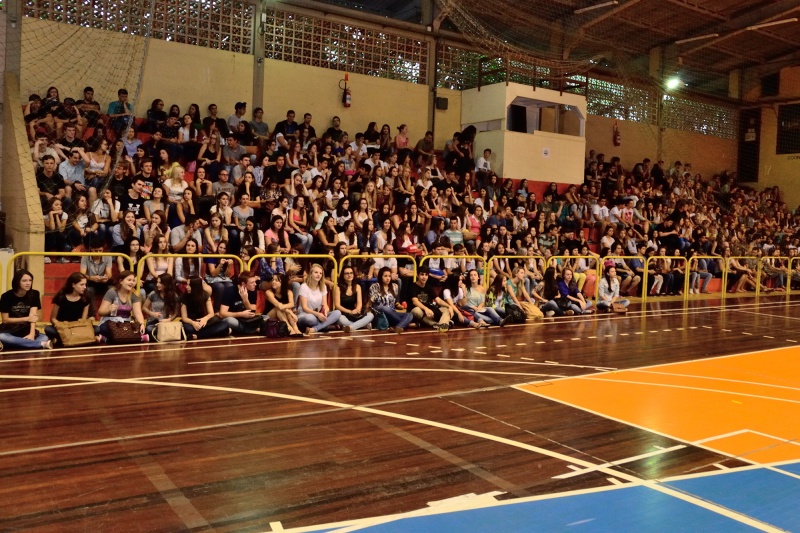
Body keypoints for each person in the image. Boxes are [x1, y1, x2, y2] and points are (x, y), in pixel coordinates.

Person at [0, 269, 53, 350]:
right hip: (10, 329)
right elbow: (5, 320)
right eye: (24, 281)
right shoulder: (6, 296)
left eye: (30, 280)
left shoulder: (34, 294)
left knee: (44, 337)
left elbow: (33, 317)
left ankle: (22, 343)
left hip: (26, 329)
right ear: (17, 282)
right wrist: (26, 318)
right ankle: (39, 344)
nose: (28, 283)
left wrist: (32, 334)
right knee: (2, 337)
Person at [97, 271, 148, 342]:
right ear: (121, 281)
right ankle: (135, 338)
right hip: (111, 323)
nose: (132, 283)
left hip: (126, 323)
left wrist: (142, 324)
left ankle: (107, 339)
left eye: (133, 281)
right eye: (129, 280)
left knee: (137, 329)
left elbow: (138, 313)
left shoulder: (134, 295)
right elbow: (100, 312)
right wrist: (109, 309)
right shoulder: (111, 292)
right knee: (102, 329)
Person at [296, 263, 341, 334]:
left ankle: (315, 328)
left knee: (337, 313)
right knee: (311, 319)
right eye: (316, 272)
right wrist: (318, 315)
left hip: (319, 315)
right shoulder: (304, 286)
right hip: (306, 314)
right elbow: (305, 308)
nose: (318, 275)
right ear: (311, 274)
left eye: (320, 273)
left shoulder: (323, 286)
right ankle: (324, 326)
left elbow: (325, 305)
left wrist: (325, 312)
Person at [368, 266, 413, 333]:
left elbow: (396, 302)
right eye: (385, 276)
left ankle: (398, 327)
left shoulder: (395, 286)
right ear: (381, 277)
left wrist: (400, 306)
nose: (388, 278)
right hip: (380, 313)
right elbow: (369, 304)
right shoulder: (374, 286)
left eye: (389, 276)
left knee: (409, 315)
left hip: (392, 313)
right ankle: (405, 324)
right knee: (384, 308)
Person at [220, 270, 262, 335]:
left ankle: (246, 330)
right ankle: (252, 330)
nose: (255, 284)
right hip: (235, 318)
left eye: (255, 282)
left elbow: (253, 311)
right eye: (252, 282)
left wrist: (245, 300)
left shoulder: (253, 291)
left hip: (248, 320)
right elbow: (222, 313)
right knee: (229, 320)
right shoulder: (229, 291)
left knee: (266, 318)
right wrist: (241, 314)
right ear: (243, 284)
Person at [409, 267, 452, 332]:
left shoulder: (428, 287)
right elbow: (415, 302)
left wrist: (449, 306)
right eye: (422, 274)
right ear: (418, 275)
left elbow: (438, 300)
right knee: (417, 311)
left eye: (426, 275)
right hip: (419, 310)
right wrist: (426, 309)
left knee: (446, 310)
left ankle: (442, 325)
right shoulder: (412, 286)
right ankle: (439, 324)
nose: (424, 277)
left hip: (429, 311)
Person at [335, 265, 375, 332]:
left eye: (351, 273)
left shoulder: (357, 287)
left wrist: (357, 310)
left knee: (371, 315)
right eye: (347, 273)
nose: (349, 275)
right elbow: (337, 306)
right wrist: (350, 312)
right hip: (344, 313)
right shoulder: (338, 288)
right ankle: (362, 325)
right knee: (340, 318)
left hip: (355, 313)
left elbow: (359, 303)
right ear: (343, 276)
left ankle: (350, 327)